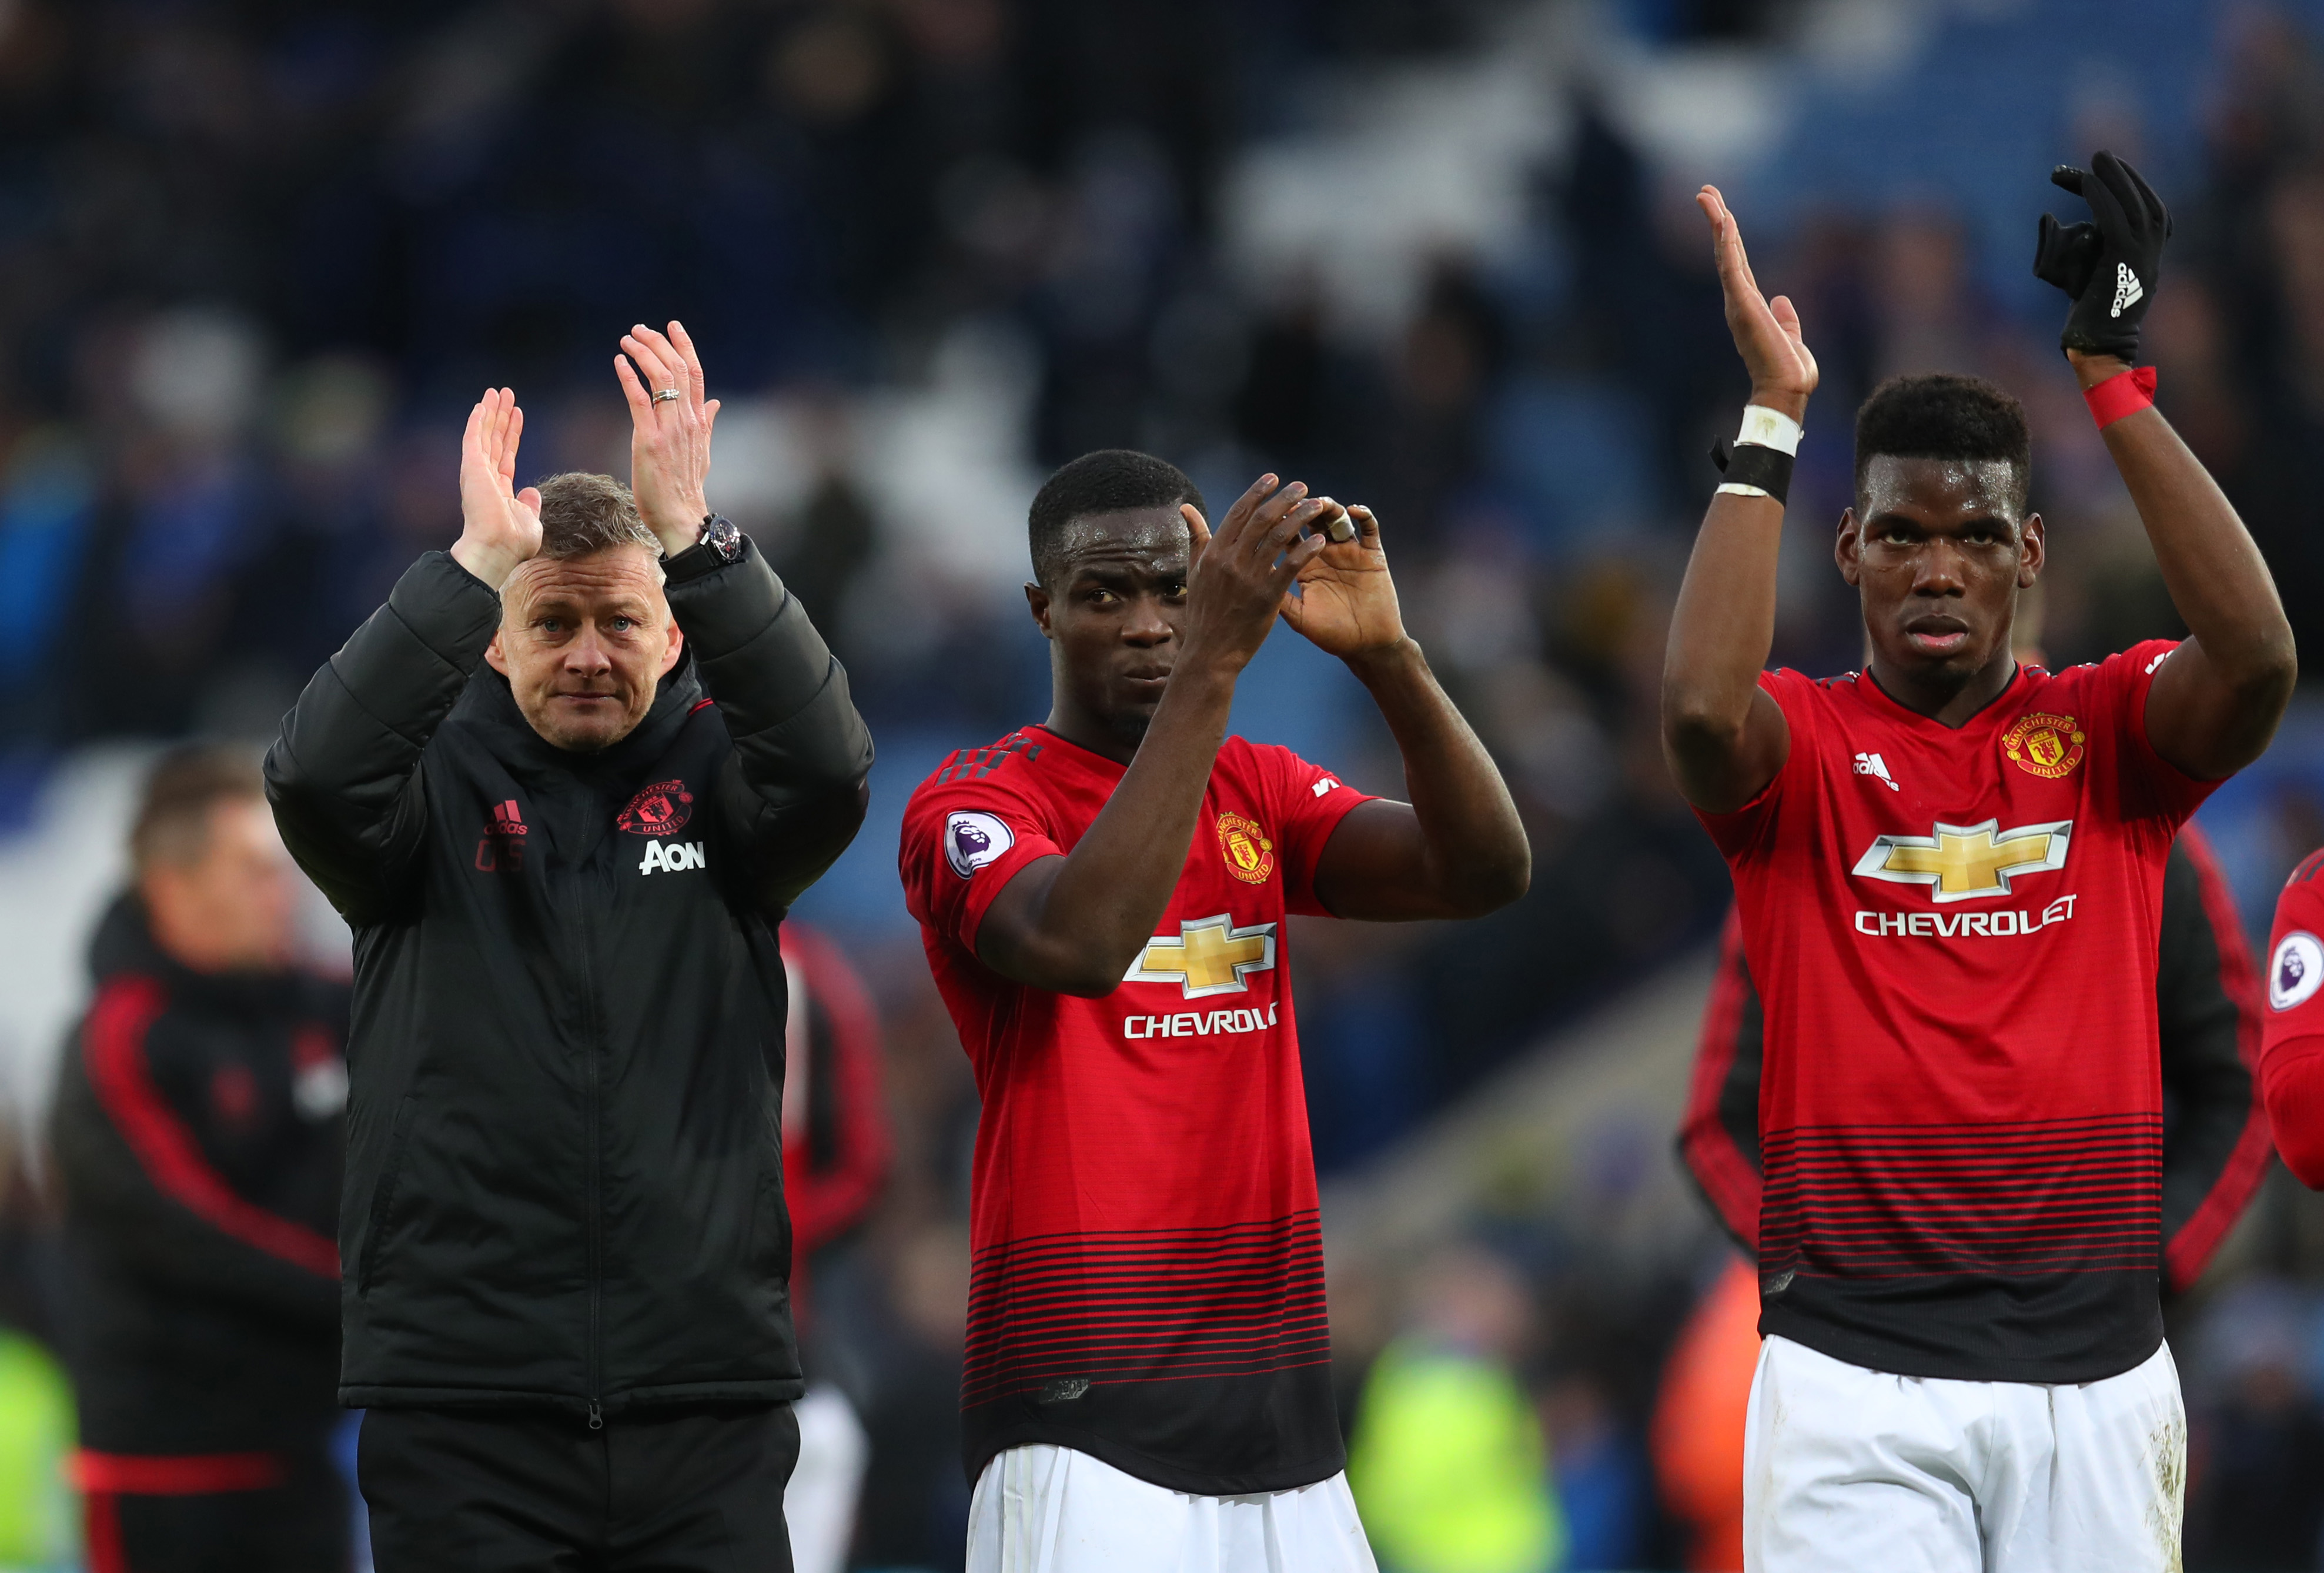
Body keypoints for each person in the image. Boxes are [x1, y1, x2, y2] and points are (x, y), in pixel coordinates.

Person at [1660, 155, 2295, 1571]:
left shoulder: (2109, 736)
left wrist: (2112, 378)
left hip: (2095, 1373)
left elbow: (2253, 660)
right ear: (1845, 551)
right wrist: (1772, 413)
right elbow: (1698, 712)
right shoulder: (1801, 758)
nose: (1933, 568)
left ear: (2027, 555)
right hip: (1850, 1382)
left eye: (1969, 538)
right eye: (1898, 536)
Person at [264, 322, 874, 1572]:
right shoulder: (421, 791)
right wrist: (473, 558)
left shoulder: (729, 786)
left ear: (673, 634)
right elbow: (310, 778)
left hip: (703, 1399)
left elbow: (830, 768)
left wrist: (702, 543)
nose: (588, 653)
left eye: (618, 620)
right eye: (549, 623)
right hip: (463, 1408)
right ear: (493, 636)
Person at [898, 450, 1529, 1573]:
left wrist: (1388, 657)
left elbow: (1481, 870)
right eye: (1105, 596)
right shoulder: (975, 803)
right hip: (1081, 1417)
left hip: (1284, 1418)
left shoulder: (1259, 788)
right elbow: (1083, 943)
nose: (1149, 626)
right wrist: (1214, 665)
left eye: (1174, 593)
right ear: (1042, 611)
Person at [1681, 816, 2271, 1294]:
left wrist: (2151, 1261)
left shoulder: (2141, 836)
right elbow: (1717, 1127)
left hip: (2107, 1350)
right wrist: (1824, 1280)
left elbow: (2245, 1085)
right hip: (1871, 1364)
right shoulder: (1794, 859)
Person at [48, 746, 350, 1573]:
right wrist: (362, 1293)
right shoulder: (119, 1037)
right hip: (165, 1464)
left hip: (300, 1445)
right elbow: (181, 1226)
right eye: (252, 869)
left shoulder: (327, 1002)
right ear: (174, 888)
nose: (280, 890)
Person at [778, 923, 892, 1573]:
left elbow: (862, 1167)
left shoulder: (812, 972)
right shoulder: (813, 967)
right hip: (780, 1351)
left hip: (786, 1358)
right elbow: (864, 1168)